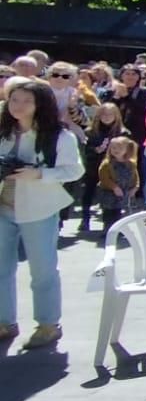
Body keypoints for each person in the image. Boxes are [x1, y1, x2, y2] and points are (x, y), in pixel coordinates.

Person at [0, 79, 85, 351]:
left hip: (38, 207)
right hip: (3, 206)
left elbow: (74, 170)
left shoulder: (59, 136)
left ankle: (48, 324)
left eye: (26, 100)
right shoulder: (4, 131)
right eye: (14, 100)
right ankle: (5, 320)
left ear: (40, 104)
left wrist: (39, 174)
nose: (19, 106)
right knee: (1, 268)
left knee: (43, 268)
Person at [81, 103, 128, 231]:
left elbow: (129, 152)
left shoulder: (122, 133)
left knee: (111, 194)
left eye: (110, 114)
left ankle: (110, 224)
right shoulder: (90, 132)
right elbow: (85, 150)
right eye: (104, 114)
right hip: (94, 166)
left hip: (114, 169)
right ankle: (85, 219)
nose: (107, 117)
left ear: (116, 116)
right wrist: (96, 150)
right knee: (88, 192)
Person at [97, 137, 141, 228]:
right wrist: (114, 187)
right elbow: (103, 178)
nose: (116, 150)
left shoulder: (131, 163)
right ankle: (108, 229)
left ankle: (120, 230)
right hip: (109, 193)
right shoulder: (107, 164)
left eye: (120, 148)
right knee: (108, 213)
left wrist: (135, 187)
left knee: (120, 212)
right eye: (113, 148)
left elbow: (136, 177)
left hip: (124, 192)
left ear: (127, 149)